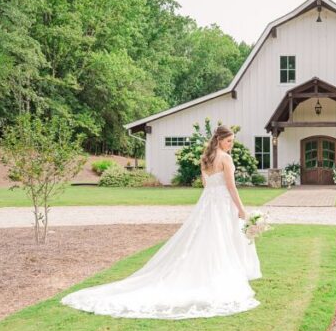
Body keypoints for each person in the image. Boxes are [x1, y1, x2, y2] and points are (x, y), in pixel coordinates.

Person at [61, 125, 262, 319]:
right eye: (229, 141)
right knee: (218, 237)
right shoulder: (225, 158)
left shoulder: (206, 159)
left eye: (232, 142)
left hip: (207, 204)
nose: (231, 145)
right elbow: (231, 187)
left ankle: (208, 271)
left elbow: (205, 184)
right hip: (221, 204)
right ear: (219, 140)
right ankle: (216, 275)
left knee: (207, 237)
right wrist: (241, 209)